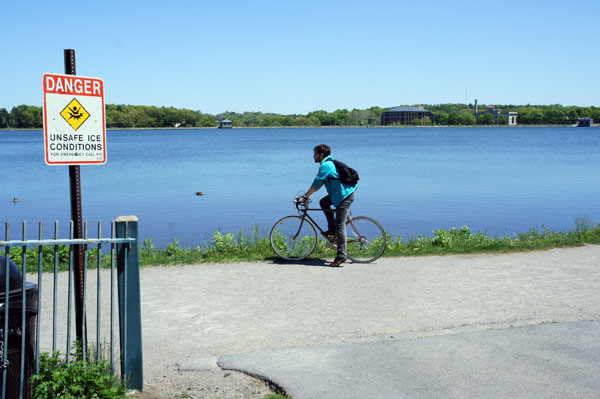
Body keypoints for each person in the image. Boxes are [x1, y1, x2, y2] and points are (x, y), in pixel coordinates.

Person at [302, 144, 357, 267]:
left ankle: (342, 255)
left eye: (315, 153)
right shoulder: (327, 164)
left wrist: (306, 196)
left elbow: (317, 182)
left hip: (345, 196)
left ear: (321, 155)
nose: (313, 156)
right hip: (338, 195)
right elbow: (320, 183)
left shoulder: (326, 165)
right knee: (324, 202)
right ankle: (332, 230)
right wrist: (308, 195)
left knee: (340, 224)